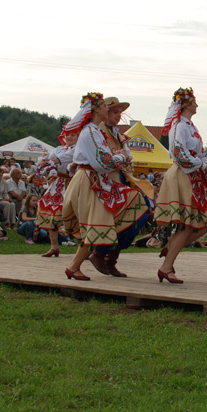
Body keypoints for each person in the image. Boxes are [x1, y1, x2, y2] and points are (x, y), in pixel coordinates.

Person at [62, 92, 147, 281]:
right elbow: (103, 162)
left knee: (101, 222)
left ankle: (77, 265)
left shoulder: (94, 131)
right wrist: (121, 157)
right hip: (90, 180)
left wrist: (120, 158)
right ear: (94, 110)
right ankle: (78, 265)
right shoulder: (91, 132)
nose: (107, 109)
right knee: (97, 224)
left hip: (94, 179)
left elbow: (104, 160)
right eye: (103, 106)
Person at [155, 87, 207, 284]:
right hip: (183, 174)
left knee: (203, 225)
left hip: (192, 175)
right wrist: (202, 166)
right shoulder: (179, 125)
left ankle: (171, 249)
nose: (197, 104)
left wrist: (206, 164)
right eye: (194, 101)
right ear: (187, 104)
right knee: (187, 223)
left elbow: (198, 152)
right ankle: (166, 267)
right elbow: (178, 153)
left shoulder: (190, 126)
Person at [88, 96, 149, 277]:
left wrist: (125, 157)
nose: (118, 115)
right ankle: (100, 254)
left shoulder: (117, 133)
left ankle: (110, 258)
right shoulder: (97, 131)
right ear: (105, 112)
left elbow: (128, 156)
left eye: (119, 112)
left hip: (120, 178)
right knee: (115, 218)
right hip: (105, 181)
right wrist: (122, 157)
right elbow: (103, 159)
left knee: (137, 214)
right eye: (114, 112)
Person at [36, 131, 78, 258]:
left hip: (73, 182)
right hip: (58, 183)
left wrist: (48, 161)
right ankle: (54, 247)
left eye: (73, 135)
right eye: (68, 134)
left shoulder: (78, 149)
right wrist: (44, 161)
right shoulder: (59, 149)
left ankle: (83, 249)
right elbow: (47, 158)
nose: (69, 137)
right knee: (51, 214)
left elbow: (62, 159)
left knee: (76, 215)